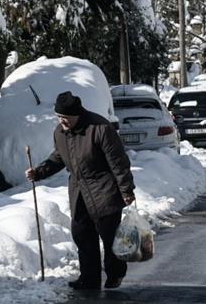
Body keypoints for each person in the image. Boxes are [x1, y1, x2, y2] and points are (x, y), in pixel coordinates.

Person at [26, 91, 136, 291]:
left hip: (105, 189)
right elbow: (59, 156)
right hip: (79, 191)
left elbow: (118, 161)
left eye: (65, 118)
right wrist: (39, 172)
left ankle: (115, 273)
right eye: (59, 117)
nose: (62, 121)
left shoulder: (100, 128)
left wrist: (126, 190)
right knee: (82, 234)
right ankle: (89, 278)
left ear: (77, 114)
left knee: (109, 237)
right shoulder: (60, 133)